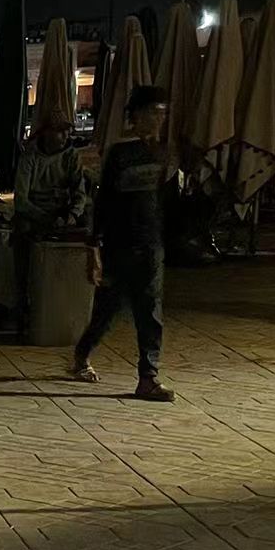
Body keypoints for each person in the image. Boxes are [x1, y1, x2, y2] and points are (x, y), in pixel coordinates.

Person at [71, 85, 175, 401]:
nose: (159, 119)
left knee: (150, 312)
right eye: (155, 113)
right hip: (119, 245)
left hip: (151, 244)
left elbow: (165, 201)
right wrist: (95, 248)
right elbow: (103, 204)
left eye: (163, 113)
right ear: (138, 115)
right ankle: (82, 353)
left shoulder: (163, 152)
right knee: (108, 310)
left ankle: (148, 377)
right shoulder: (120, 153)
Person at [11, 119, 88, 327]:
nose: (64, 138)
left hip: (63, 214)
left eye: (67, 133)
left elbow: (80, 193)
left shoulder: (71, 156)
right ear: (46, 132)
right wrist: (46, 218)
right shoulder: (30, 157)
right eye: (59, 132)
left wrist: (72, 215)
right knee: (24, 248)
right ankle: (22, 304)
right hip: (34, 215)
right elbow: (21, 201)